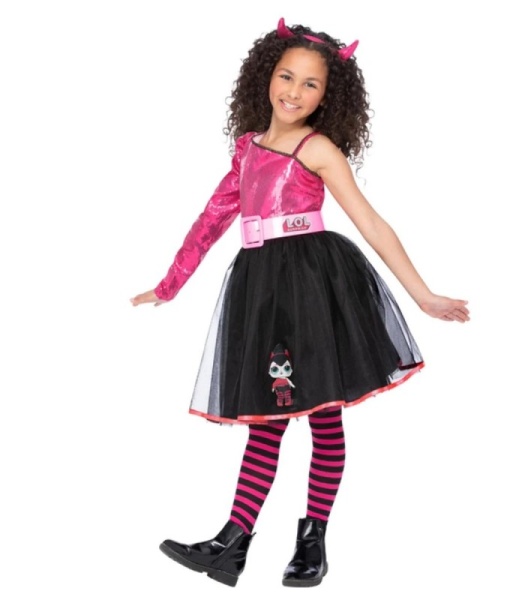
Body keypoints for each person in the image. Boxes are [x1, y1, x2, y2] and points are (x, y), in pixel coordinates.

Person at [131, 17, 470, 588]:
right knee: (267, 417)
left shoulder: (318, 149)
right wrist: (170, 284)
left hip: (313, 285)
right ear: (266, 77)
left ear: (327, 96)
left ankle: (311, 542)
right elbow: (213, 219)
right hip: (261, 290)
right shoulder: (248, 149)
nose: (294, 91)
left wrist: (422, 295)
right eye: (286, 76)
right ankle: (232, 543)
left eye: (310, 84)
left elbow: (371, 223)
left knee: (321, 413)